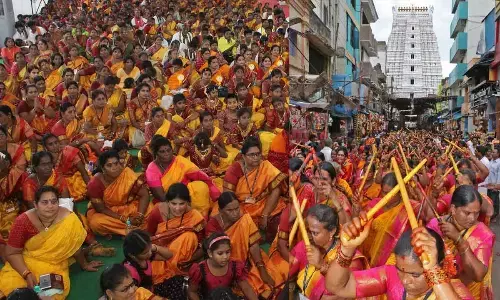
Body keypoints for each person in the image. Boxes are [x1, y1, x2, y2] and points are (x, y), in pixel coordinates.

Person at [324, 213, 474, 299]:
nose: (405, 281)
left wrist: (432, 268)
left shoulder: (456, 291)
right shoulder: (391, 275)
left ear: (439, 266)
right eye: (400, 270)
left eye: (415, 275)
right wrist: (347, 250)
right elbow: (337, 287)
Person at [0, 186, 101, 299]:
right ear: (35, 204)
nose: (50, 206)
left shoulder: (69, 219)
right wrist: (26, 273)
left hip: (54, 265)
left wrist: (85, 265)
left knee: (51, 294)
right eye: (44, 202)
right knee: (12, 288)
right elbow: (12, 252)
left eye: (54, 201)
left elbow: (74, 248)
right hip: (26, 263)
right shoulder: (23, 221)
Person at [205, 191, 278, 298]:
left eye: (236, 209)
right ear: (220, 211)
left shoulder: (243, 218)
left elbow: (253, 244)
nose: (235, 213)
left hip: (246, 257)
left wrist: (261, 268)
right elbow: (215, 253)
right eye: (230, 210)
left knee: (273, 277)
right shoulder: (212, 225)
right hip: (225, 262)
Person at [427, 185, 494, 299]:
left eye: (476, 213)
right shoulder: (435, 225)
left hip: (468, 293)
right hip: (438, 290)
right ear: (453, 209)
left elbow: (478, 275)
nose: (472, 218)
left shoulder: (483, 233)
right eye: (467, 213)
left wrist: (459, 240)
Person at [289, 204, 367, 299]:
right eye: (308, 231)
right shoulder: (307, 245)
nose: (309, 236)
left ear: (332, 231)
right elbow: (291, 270)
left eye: (315, 233)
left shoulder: (351, 259)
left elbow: (345, 294)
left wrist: (321, 265)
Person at [223, 136, 286, 233]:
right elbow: (228, 197)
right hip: (240, 206)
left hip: (263, 204)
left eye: (258, 154)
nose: (256, 158)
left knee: (281, 219)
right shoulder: (234, 170)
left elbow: (276, 189)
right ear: (243, 156)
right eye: (252, 155)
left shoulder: (265, 165)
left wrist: (265, 214)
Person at [146, 183, 206, 285]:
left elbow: (203, 244)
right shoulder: (158, 211)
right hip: (160, 254)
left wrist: (190, 260)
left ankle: (175, 271)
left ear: (188, 202)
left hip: (184, 259)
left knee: (189, 236)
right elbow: (149, 236)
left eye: (182, 204)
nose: (177, 208)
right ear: (168, 202)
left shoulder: (195, 217)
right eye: (173, 204)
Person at [145, 136, 220, 217]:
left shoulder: (180, 161)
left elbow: (199, 174)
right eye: (162, 152)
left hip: (185, 195)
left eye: (168, 150)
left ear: (172, 150)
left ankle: (200, 218)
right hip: (168, 200)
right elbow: (161, 196)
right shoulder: (152, 169)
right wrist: (179, 206)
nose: (166, 154)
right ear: (156, 153)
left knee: (200, 187)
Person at [360, 172, 421, 267]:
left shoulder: (408, 208)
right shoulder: (375, 204)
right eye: (384, 192)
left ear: (400, 192)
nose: (386, 196)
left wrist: (418, 191)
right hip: (369, 258)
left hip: (394, 260)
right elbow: (361, 226)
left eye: (390, 193)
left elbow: (427, 215)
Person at [87, 150, 153, 236]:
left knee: (151, 210)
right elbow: (101, 209)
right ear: (103, 169)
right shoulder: (95, 184)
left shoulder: (126, 174)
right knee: (95, 222)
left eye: (116, 163)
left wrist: (139, 216)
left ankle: (131, 228)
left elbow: (144, 194)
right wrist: (126, 220)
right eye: (109, 165)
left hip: (129, 207)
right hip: (109, 212)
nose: (114, 167)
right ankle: (133, 228)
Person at [187, 232, 259, 300]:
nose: (225, 257)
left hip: (227, 297)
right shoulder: (200, 269)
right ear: (210, 253)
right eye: (220, 253)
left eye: (227, 252)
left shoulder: (234, 266)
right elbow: (192, 292)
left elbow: (246, 288)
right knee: (220, 292)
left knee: (223, 293)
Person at [42, 133, 90, 201]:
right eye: (50, 144)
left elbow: (83, 172)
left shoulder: (69, 152)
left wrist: (91, 189)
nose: (55, 146)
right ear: (45, 147)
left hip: (74, 180)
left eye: (56, 142)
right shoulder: (44, 157)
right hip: (56, 181)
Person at [99, 264, 165, 300]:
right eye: (125, 289)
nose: (132, 291)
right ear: (109, 293)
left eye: (132, 284)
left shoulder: (140, 293)